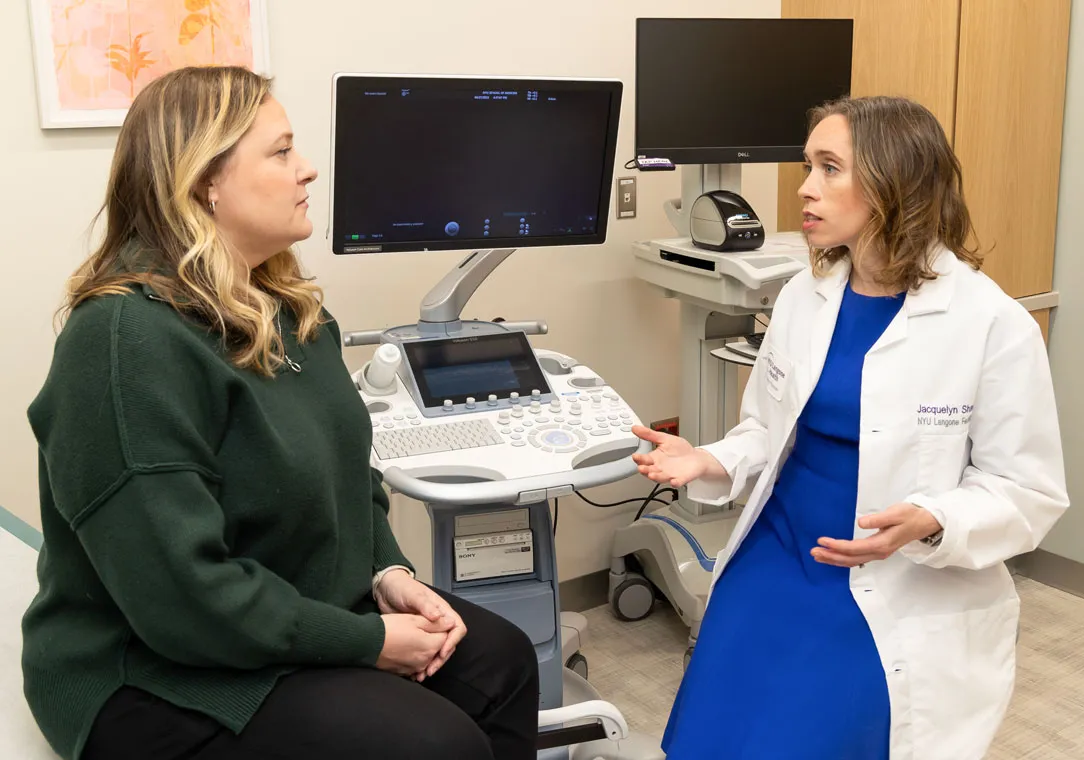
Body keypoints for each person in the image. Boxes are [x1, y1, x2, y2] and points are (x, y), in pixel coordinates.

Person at [21, 66, 539, 760]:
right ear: (204, 180)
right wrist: (369, 643)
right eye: (282, 151)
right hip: (152, 667)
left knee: (501, 660)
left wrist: (391, 577)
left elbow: (354, 487)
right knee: (433, 743)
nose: (309, 170)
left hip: (292, 610)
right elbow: (181, 598)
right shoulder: (123, 341)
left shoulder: (292, 312)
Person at [632, 95, 1068, 759]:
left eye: (830, 168)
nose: (805, 188)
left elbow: (1027, 491)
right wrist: (709, 460)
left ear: (896, 182)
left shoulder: (990, 325)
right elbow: (766, 431)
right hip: (778, 552)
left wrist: (931, 516)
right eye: (810, 166)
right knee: (717, 734)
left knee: (818, 735)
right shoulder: (805, 295)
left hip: (896, 578)